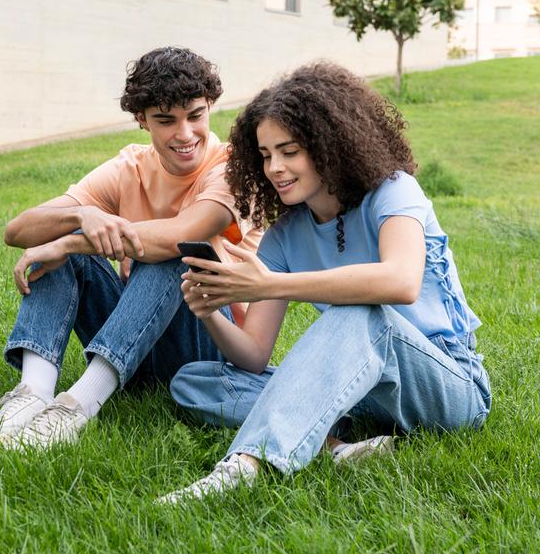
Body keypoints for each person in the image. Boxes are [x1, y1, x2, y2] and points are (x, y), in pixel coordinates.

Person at [158, 62, 492, 503]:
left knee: (361, 310)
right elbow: (254, 357)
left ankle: (245, 465)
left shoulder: (394, 191)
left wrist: (268, 286)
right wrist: (210, 313)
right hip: (363, 392)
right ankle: (335, 446)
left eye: (289, 150)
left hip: (448, 385)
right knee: (196, 381)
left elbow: (399, 281)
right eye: (264, 154)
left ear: (328, 145)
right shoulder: (282, 236)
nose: (275, 167)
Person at [0, 47, 261, 450]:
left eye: (196, 115)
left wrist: (67, 241)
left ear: (210, 106)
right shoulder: (130, 167)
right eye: (165, 120)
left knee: (174, 252)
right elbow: (18, 230)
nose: (185, 134)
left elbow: (181, 234)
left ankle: (76, 407)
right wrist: (79, 216)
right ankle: (31, 397)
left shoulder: (231, 168)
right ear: (142, 120)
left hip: (208, 350)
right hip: (137, 340)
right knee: (65, 250)